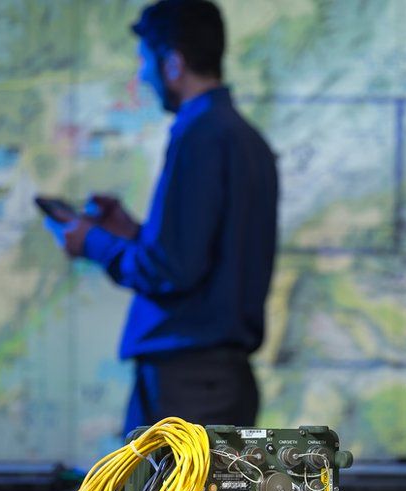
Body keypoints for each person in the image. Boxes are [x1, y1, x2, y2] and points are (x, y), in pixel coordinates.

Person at [45, 0, 278, 435]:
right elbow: (207, 252)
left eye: (144, 62)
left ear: (173, 63)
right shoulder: (246, 138)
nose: (142, 77)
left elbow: (171, 268)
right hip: (214, 379)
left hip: (187, 381)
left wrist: (91, 241)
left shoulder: (200, 134)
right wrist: (133, 234)